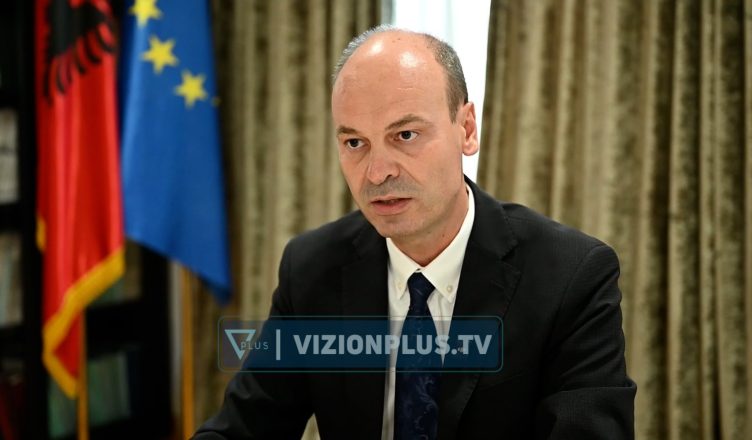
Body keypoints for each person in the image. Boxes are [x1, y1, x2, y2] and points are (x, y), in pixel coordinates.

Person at [193, 25, 636, 439]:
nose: (377, 172)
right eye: (354, 142)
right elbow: (241, 428)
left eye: (405, 135)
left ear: (466, 129)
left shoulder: (570, 277)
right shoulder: (312, 268)